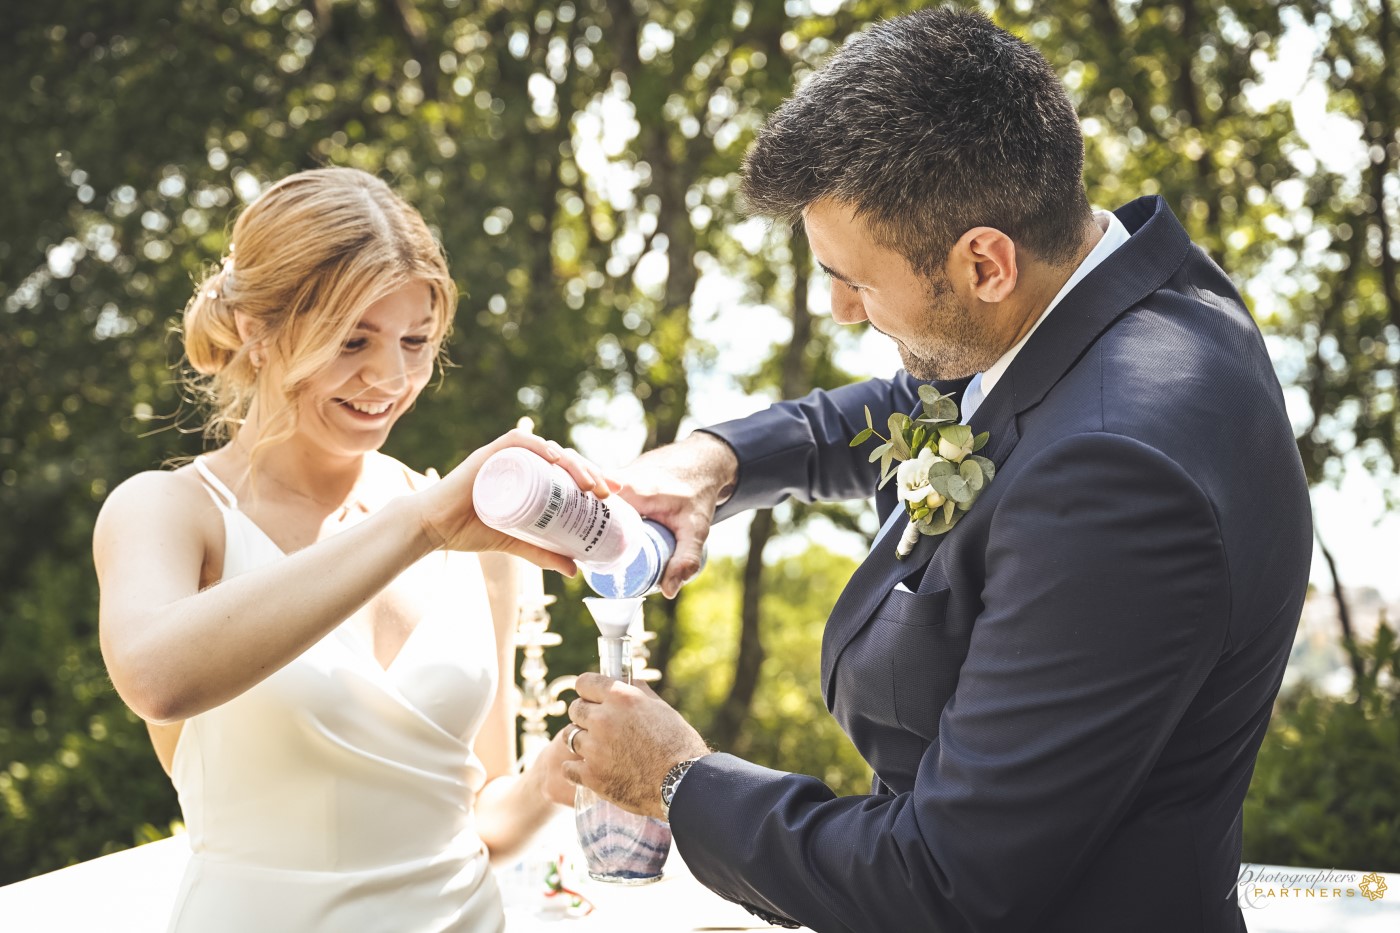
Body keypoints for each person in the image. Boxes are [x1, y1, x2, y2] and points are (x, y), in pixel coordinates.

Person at [561, 9, 1312, 933]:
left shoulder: (1113, 474)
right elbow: (925, 407)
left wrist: (679, 779)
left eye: (857, 280)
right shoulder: (1133, 304)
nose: (840, 310)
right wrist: (718, 461)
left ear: (985, 261)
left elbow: (945, 884)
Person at [94, 167, 603, 931]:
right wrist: (421, 526)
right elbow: (154, 676)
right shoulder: (169, 512)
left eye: (415, 340)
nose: (390, 377)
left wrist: (558, 774)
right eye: (352, 339)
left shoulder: (470, 537)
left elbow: (480, 813)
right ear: (258, 332)